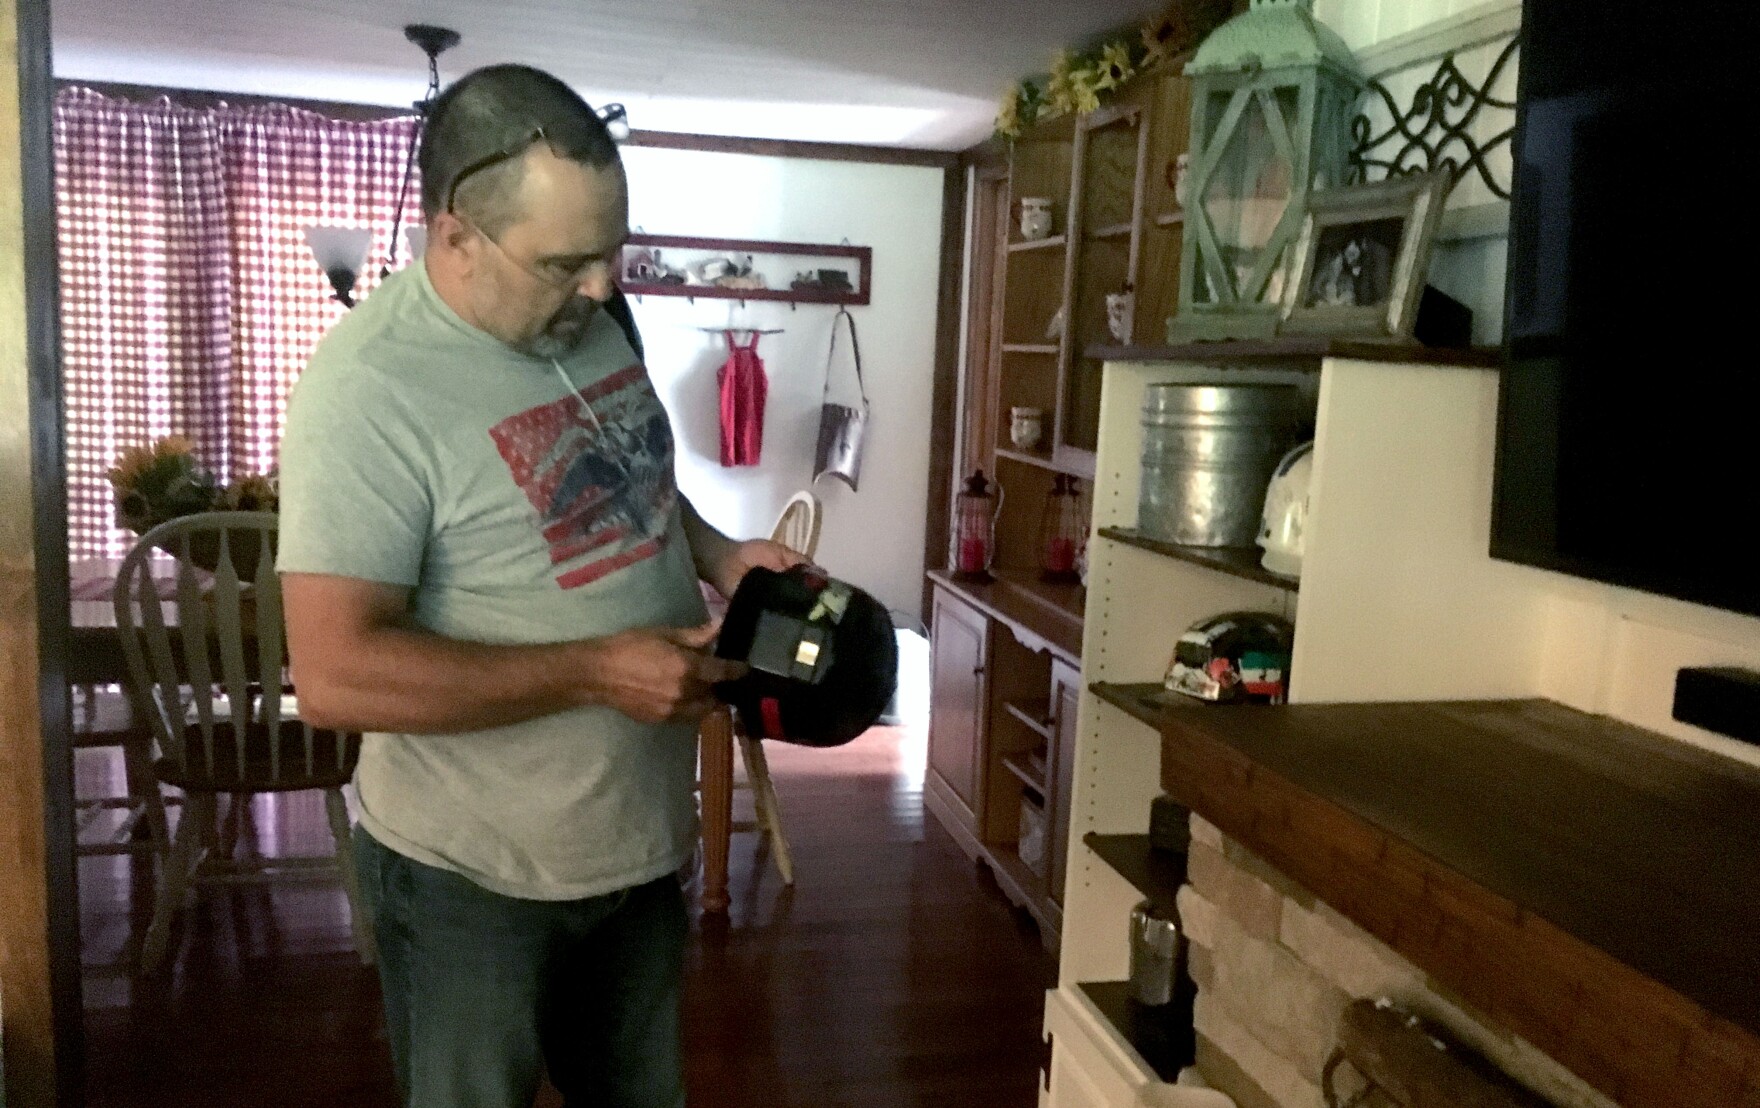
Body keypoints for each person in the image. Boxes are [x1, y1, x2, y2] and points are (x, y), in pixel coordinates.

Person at [276, 64, 803, 1108]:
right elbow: (334, 676)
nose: (603, 287)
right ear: (456, 235)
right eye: (566, 261)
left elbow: (635, 482)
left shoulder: (593, 319)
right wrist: (594, 670)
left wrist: (717, 553)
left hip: (636, 848)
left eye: (611, 252)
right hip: (471, 879)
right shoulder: (365, 392)